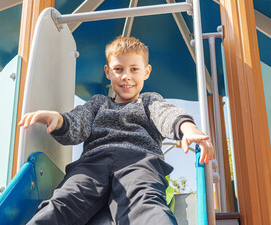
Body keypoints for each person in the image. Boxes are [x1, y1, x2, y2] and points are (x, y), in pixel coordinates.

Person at [19, 36, 214, 225]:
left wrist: (187, 128)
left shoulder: (149, 101)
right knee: (67, 198)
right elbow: (78, 123)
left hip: (139, 161)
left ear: (146, 72)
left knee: (144, 201)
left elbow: (166, 114)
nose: (126, 76)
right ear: (108, 71)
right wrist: (59, 119)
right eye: (118, 69)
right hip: (93, 163)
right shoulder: (98, 103)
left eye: (134, 69)